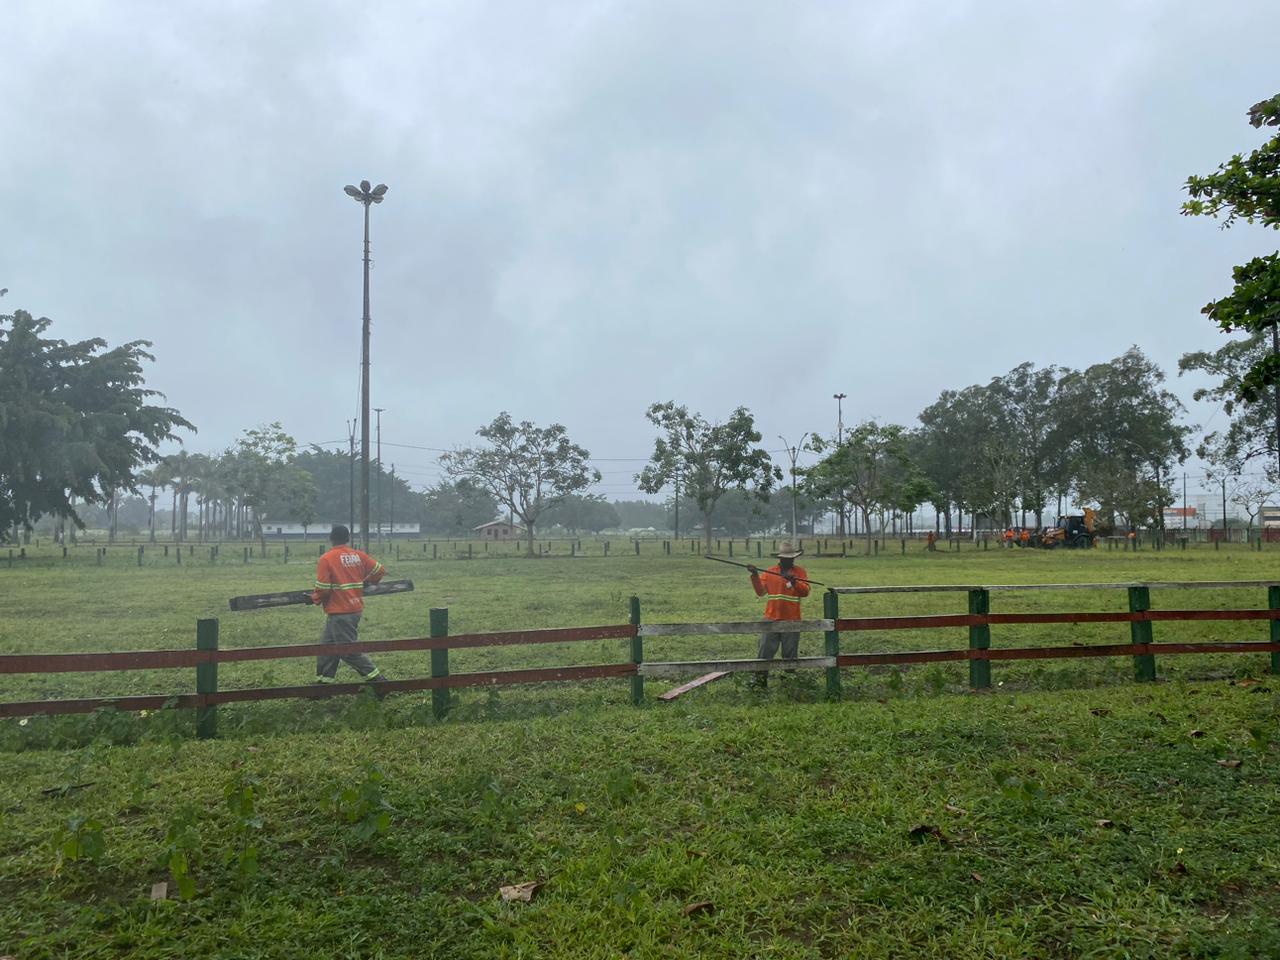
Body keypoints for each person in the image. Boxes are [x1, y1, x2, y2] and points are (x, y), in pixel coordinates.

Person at [310, 524, 389, 689]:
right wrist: (368, 581)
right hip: (353, 609)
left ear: (331, 539)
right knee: (327, 648)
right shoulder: (358, 555)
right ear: (348, 539)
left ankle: (379, 682)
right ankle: (322, 686)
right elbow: (380, 570)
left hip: (340, 612)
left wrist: (315, 598)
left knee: (348, 650)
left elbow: (323, 589)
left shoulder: (326, 558)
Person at [745, 541, 811, 688]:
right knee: (765, 652)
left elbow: (805, 592)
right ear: (780, 558)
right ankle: (759, 683)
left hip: (792, 620)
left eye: (791, 558)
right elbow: (760, 592)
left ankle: (789, 685)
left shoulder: (800, 572)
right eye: (785, 558)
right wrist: (755, 575)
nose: (788, 561)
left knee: (790, 655)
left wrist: (794, 583)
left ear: (794, 559)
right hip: (771, 619)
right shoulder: (769, 572)